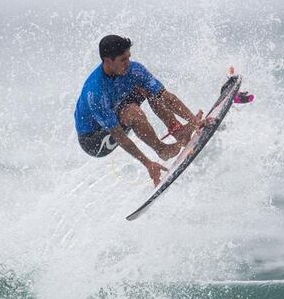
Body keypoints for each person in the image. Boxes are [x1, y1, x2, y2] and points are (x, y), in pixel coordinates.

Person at [74, 35, 206, 186]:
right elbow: (119, 136)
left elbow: (166, 96)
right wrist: (148, 164)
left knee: (150, 90)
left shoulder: (134, 70)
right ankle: (162, 150)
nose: (128, 63)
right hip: (94, 140)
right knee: (132, 112)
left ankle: (178, 130)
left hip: (115, 112)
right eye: (123, 60)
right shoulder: (96, 91)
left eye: (128, 57)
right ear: (108, 61)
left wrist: (194, 121)